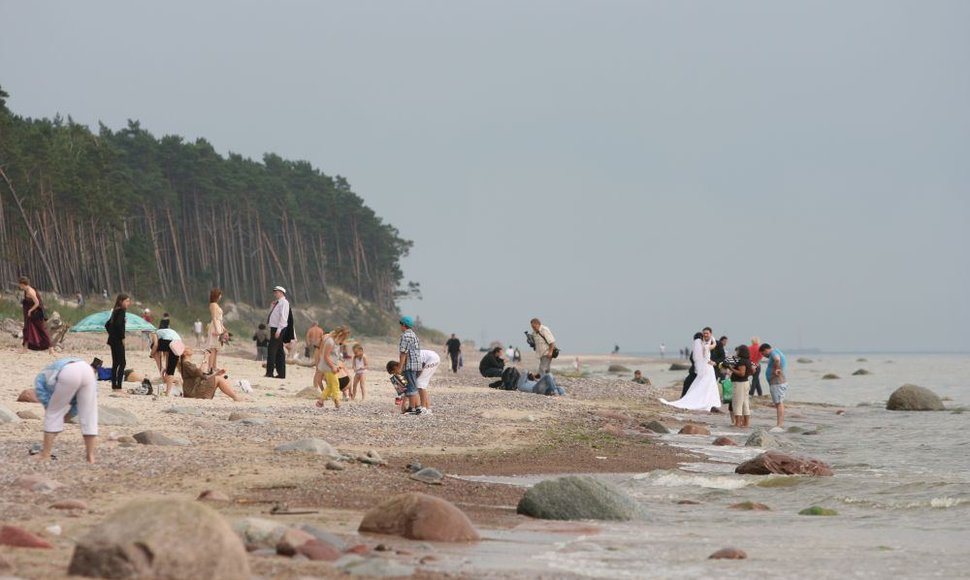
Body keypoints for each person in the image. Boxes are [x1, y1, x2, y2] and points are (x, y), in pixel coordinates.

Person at [33, 358, 98, 463]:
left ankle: (45, 454)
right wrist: (67, 416)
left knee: (53, 412)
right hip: (88, 370)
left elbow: (41, 390)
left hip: (69, 371)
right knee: (89, 415)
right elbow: (79, 405)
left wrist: (48, 407)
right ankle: (90, 457)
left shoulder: (43, 376)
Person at [660, 327, 721, 412]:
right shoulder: (706, 346)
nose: (705, 335)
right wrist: (713, 339)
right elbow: (713, 345)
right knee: (708, 385)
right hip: (708, 368)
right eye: (704, 334)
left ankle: (706, 400)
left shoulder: (701, 346)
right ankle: (708, 401)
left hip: (705, 367)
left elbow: (701, 357)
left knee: (705, 385)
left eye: (707, 333)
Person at [177, 347, 245, 401]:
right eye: (187, 348)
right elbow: (201, 373)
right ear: (184, 353)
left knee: (219, 377)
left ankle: (235, 396)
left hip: (193, 388)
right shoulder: (186, 364)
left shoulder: (186, 364)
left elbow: (202, 375)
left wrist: (216, 374)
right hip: (193, 391)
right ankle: (235, 397)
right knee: (219, 379)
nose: (190, 348)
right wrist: (206, 357)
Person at [386, 348, 437, 414]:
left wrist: (403, 405)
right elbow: (404, 391)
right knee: (418, 385)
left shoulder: (405, 367)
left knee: (420, 384)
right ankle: (426, 408)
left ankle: (423, 409)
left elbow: (407, 389)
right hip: (429, 359)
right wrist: (402, 405)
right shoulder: (401, 371)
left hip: (431, 358)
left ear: (396, 366)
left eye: (394, 372)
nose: (395, 374)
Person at [315, 326, 348, 409]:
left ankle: (320, 401)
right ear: (340, 335)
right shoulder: (330, 342)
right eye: (344, 337)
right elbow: (326, 356)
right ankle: (337, 401)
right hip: (328, 367)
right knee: (336, 384)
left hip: (330, 366)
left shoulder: (334, 341)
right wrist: (333, 366)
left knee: (330, 385)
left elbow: (332, 355)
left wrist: (336, 365)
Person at [397, 316, 424, 414]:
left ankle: (412, 408)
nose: (400, 326)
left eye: (400, 324)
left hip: (410, 364)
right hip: (417, 364)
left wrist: (400, 367)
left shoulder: (405, 336)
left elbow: (403, 352)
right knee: (413, 385)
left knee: (411, 387)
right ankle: (417, 407)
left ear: (404, 325)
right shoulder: (414, 335)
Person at [18, 276, 52, 353]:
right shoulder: (26, 290)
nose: (19, 286)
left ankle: (51, 349)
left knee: (42, 330)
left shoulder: (30, 291)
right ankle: (25, 349)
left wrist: (30, 310)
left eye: (20, 285)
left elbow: (37, 303)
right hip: (30, 315)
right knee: (26, 329)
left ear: (23, 284)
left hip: (36, 314)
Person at [760, 343, 788, 431]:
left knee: (779, 403)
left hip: (777, 381)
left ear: (766, 350)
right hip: (776, 381)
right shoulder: (777, 351)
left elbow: (777, 359)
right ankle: (779, 424)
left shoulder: (773, 353)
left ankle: (779, 424)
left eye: (763, 354)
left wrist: (777, 369)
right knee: (778, 403)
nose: (764, 356)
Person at [265, 286, 290, 379]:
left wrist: (279, 330)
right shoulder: (278, 303)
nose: (275, 294)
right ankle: (281, 373)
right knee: (279, 351)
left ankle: (270, 372)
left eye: (276, 292)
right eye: (274, 292)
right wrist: (272, 305)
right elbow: (272, 314)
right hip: (275, 328)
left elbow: (283, 318)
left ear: (281, 292)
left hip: (278, 328)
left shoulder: (284, 303)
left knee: (271, 350)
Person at [106, 294, 130, 391]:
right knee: (122, 363)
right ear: (121, 301)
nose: (129, 303)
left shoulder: (115, 310)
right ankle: (119, 387)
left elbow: (107, 325)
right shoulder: (121, 311)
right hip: (118, 340)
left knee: (115, 363)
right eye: (127, 301)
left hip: (112, 340)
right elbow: (119, 325)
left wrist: (112, 334)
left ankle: (114, 386)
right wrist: (122, 337)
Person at [729, 345, 754, 428]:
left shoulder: (741, 361)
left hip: (739, 383)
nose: (737, 352)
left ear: (741, 351)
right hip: (746, 382)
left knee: (737, 403)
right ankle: (746, 423)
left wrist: (731, 368)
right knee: (745, 403)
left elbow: (741, 373)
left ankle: (738, 423)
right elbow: (751, 372)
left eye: (738, 351)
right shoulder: (748, 361)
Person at [208, 288, 225, 371]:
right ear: (216, 295)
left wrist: (223, 327)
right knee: (213, 348)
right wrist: (217, 330)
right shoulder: (213, 304)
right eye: (220, 294)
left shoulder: (216, 304)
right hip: (215, 326)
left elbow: (219, 319)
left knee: (216, 348)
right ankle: (210, 367)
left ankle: (214, 366)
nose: (221, 296)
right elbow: (214, 318)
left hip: (219, 324)